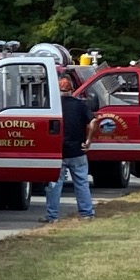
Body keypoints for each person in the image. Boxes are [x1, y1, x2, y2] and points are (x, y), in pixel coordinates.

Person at [44, 75, 96, 222]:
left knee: (54, 185)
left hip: (57, 151)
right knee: (81, 183)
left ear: (56, 90)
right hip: (77, 151)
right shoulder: (81, 105)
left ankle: (52, 216)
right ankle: (86, 213)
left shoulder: (52, 106)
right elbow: (93, 121)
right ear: (72, 89)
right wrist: (89, 140)